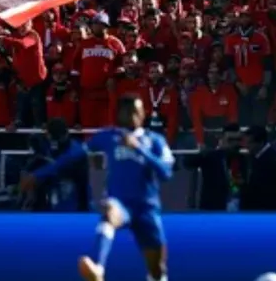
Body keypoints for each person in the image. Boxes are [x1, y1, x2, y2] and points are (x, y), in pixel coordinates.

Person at [20, 94, 174, 281]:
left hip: (147, 207)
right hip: (121, 202)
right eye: (126, 112)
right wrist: (39, 174)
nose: (130, 116)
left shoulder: (155, 140)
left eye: (134, 111)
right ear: (118, 114)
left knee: (157, 270)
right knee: (109, 214)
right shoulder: (108, 137)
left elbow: (166, 172)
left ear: (143, 114)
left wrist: (140, 149)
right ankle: (98, 268)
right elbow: (72, 156)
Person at [186, 123, 248, 211]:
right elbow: (188, 163)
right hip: (214, 205)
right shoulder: (210, 156)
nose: (235, 143)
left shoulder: (243, 158)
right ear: (222, 139)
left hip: (238, 205)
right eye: (231, 140)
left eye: (238, 140)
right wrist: (202, 153)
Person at [240, 125, 276, 211]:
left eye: (249, 143)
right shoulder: (253, 157)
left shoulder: (273, 161)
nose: (246, 146)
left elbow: (265, 191)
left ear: (260, 142)